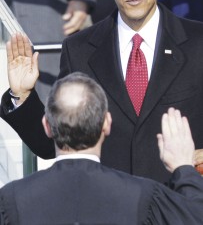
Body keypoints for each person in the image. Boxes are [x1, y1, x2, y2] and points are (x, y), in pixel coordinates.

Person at [1, 0, 203, 183]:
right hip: (108, 209)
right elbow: (53, 144)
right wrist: (21, 96)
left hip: (180, 210)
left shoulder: (198, 43)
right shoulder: (79, 49)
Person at [1, 72, 203, 225]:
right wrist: (184, 168)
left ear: (46, 125)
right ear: (106, 123)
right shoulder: (145, 197)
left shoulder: (11, 200)